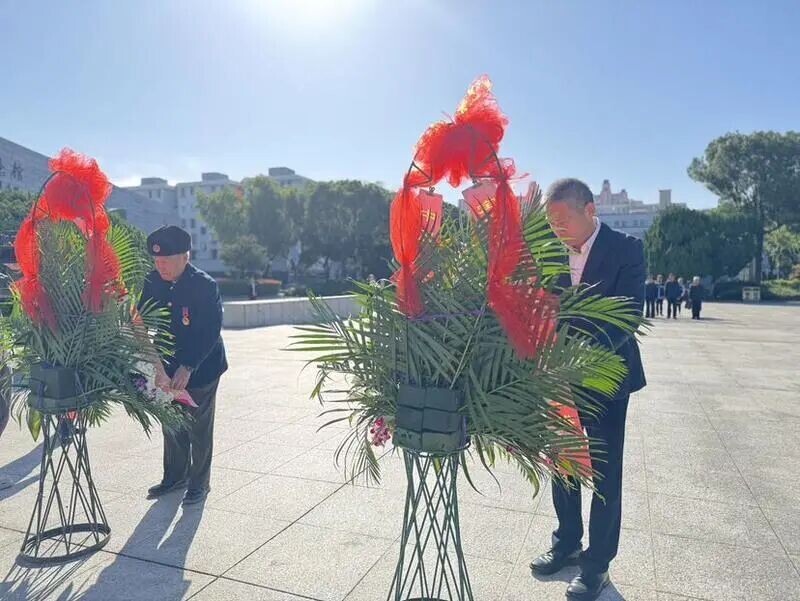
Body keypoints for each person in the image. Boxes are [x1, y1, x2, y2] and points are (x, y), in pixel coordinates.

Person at [532, 178, 646, 601]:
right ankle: (566, 541)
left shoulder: (626, 249)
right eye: (551, 222)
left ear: (590, 210)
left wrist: (580, 359)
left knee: (603, 473)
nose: (556, 229)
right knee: (563, 464)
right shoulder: (550, 252)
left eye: (563, 220)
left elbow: (627, 316)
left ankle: (596, 564)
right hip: (558, 378)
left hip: (605, 378)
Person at [140, 225, 228, 506]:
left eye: (166, 259)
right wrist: (154, 367)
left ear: (185, 256)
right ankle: (175, 477)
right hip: (167, 367)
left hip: (202, 366)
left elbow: (210, 331)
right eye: (156, 260)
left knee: (198, 426)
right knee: (171, 424)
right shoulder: (153, 281)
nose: (160, 265)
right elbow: (141, 321)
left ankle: (199, 483)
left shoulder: (204, 285)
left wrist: (188, 366)